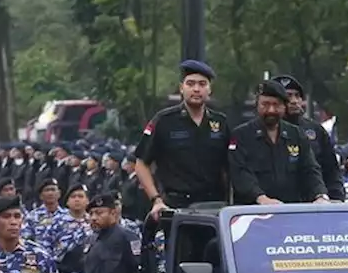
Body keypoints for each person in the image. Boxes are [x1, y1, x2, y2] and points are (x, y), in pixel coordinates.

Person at [134, 59, 231, 217]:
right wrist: (156, 199)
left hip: (215, 207)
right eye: (190, 84)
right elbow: (141, 163)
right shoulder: (164, 120)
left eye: (202, 84)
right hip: (177, 206)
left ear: (210, 89)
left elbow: (231, 166)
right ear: (181, 88)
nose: (196, 89)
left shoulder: (221, 122)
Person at [228, 80, 329, 205]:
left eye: (276, 105)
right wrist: (261, 198)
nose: (271, 110)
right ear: (257, 105)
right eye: (265, 104)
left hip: (289, 212)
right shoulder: (241, 135)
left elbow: (310, 169)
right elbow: (240, 173)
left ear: (284, 106)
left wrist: (320, 195)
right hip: (252, 213)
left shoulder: (296, 134)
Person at [277, 74, 345, 201]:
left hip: (314, 203)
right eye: (288, 95)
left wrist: (336, 199)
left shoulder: (315, 130)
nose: (294, 101)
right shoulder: (262, 130)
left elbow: (332, 171)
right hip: (276, 205)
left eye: (297, 96)